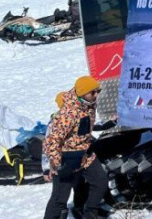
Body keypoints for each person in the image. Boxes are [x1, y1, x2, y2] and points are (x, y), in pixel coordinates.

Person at [42, 76, 108, 219]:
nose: (96, 95)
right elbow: (52, 140)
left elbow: (86, 127)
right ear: (82, 93)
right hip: (68, 159)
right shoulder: (68, 114)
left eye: (98, 91)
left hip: (86, 155)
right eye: (93, 92)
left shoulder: (89, 104)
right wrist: (56, 164)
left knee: (100, 182)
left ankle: (90, 214)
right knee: (59, 199)